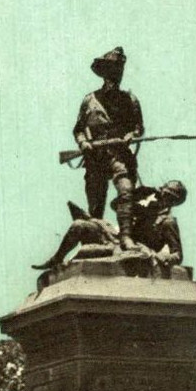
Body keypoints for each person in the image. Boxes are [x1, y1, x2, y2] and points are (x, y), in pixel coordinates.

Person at [72, 46, 143, 244]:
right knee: (96, 204)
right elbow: (78, 129)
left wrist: (131, 134)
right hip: (95, 157)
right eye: (113, 68)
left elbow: (139, 128)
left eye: (120, 68)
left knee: (126, 191)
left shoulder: (130, 99)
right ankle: (94, 241)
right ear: (104, 72)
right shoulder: (90, 100)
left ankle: (126, 237)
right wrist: (83, 142)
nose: (117, 73)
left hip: (120, 155)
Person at [32, 181, 186, 271]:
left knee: (88, 251)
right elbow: (115, 205)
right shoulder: (143, 208)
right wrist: (135, 196)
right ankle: (57, 258)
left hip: (135, 251)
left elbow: (177, 255)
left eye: (165, 194)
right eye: (160, 191)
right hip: (116, 240)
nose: (159, 195)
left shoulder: (167, 222)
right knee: (79, 225)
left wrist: (162, 257)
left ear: (172, 201)